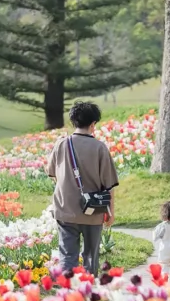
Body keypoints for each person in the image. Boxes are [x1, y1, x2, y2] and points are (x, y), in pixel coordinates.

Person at [46, 100, 119, 277]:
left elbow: (52, 173)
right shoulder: (100, 148)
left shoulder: (61, 144)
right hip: (92, 212)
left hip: (65, 210)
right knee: (90, 258)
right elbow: (109, 185)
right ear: (93, 124)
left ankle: (68, 288)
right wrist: (111, 212)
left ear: (74, 122)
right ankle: (87, 288)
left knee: (67, 256)